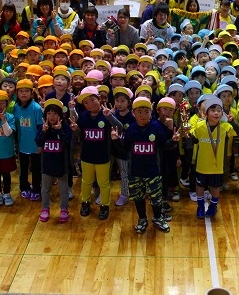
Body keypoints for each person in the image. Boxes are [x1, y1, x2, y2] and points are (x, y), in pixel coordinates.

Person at [112, 97, 176, 233]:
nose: (143, 115)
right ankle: (142, 219)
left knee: (156, 198)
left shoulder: (157, 127)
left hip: (153, 171)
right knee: (138, 197)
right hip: (135, 172)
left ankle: (158, 217)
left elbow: (164, 146)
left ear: (151, 112)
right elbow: (124, 149)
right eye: (139, 112)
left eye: (146, 111)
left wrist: (174, 140)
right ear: (134, 113)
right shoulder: (131, 130)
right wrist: (116, 141)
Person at [190, 95, 239, 218]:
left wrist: (232, 121)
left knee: (216, 187)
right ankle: (200, 206)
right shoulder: (200, 126)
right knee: (200, 186)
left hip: (217, 166)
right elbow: (193, 140)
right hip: (202, 164)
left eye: (219, 110)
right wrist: (186, 133)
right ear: (206, 113)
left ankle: (213, 206)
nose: (216, 113)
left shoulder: (225, 126)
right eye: (213, 110)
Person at [69, 86, 113, 220]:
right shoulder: (83, 116)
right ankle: (85, 203)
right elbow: (79, 134)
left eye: (92, 100)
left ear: (99, 98)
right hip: (86, 156)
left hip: (103, 156)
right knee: (86, 182)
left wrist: (110, 117)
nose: (89, 104)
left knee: (103, 184)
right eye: (86, 102)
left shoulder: (106, 114)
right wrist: (76, 129)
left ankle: (105, 206)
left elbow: (120, 128)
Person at [36, 98, 72, 223]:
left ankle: (64, 209)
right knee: (45, 188)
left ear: (60, 115)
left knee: (63, 189)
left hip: (62, 165)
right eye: (49, 113)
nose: (52, 116)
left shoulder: (65, 127)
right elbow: (39, 142)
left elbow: (67, 142)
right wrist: (44, 132)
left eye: (55, 113)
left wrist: (60, 130)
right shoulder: (43, 127)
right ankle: (45, 208)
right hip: (46, 165)